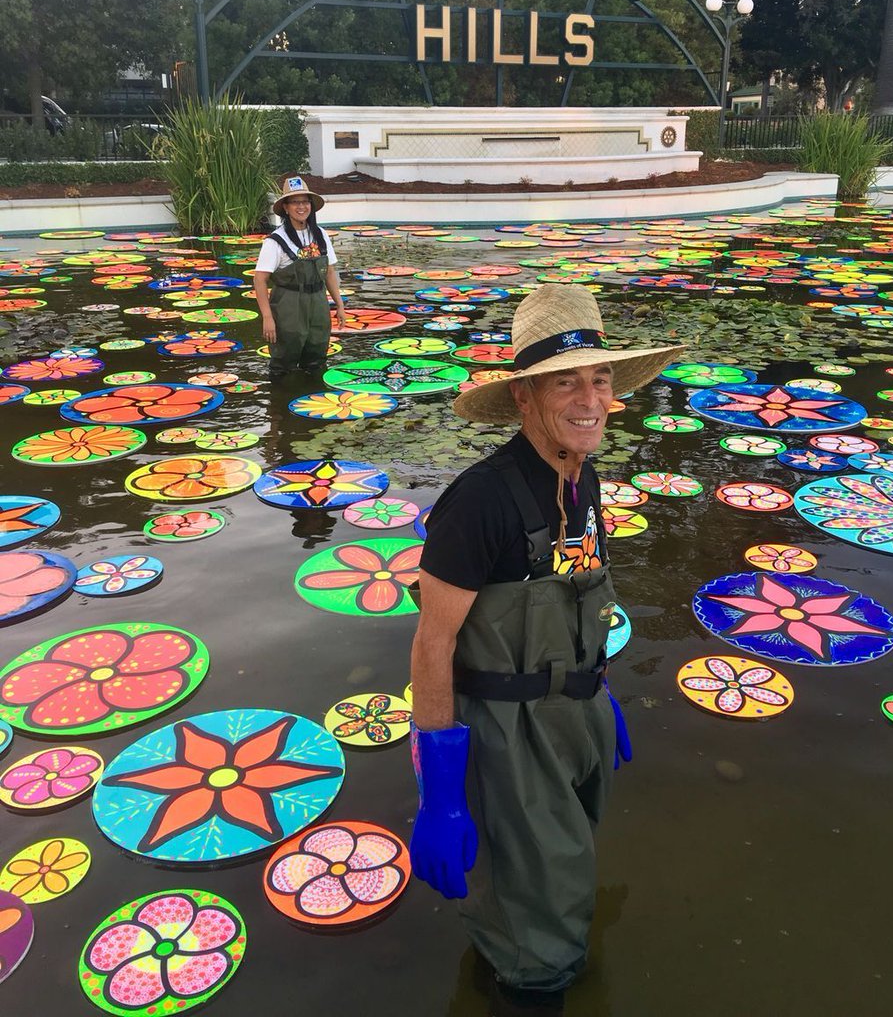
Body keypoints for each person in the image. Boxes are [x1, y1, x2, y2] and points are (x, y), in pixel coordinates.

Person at [409, 283, 684, 1017]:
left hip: (576, 716)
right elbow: (432, 644)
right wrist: (439, 792)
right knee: (541, 937)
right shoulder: (479, 502)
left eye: (600, 378)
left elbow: (577, 594)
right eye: (567, 381)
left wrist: (598, 692)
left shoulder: (580, 473)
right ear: (525, 397)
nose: (590, 398)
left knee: (559, 872)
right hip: (506, 735)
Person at [253, 175, 345, 381]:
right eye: (295, 202)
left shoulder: (320, 234)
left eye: (305, 201)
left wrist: (339, 304)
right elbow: (259, 280)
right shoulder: (276, 241)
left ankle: (314, 399)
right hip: (288, 304)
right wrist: (267, 317)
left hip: (318, 303)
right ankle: (279, 406)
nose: (301, 206)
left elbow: (328, 272)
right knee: (284, 359)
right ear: (286, 207)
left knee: (317, 355)